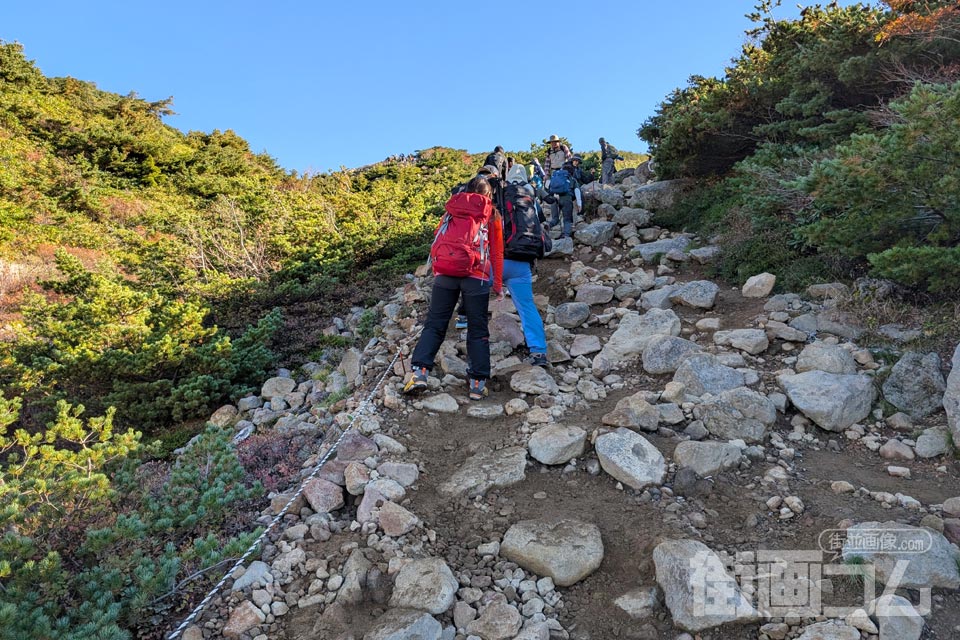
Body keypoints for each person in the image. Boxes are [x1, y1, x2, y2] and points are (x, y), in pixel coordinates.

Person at [404, 175, 504, 400]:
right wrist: (497, 284)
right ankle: (477, 384)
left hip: (446, 274)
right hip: (476, 277)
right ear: (489, 194)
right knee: (478, 330)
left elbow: (438, 237)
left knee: (435, 325)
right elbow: (497, 252)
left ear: (467, 190)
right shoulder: (492, 214)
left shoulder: (452, 209)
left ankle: (419, 374)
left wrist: (440, 268)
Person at [502, 165, 551, 367]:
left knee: (472, 297)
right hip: (522, 263)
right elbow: (541, 222)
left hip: (499, 260)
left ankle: (463, 321)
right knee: (527, 307)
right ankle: (539, 351)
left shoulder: (502, 194)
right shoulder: (530, 197)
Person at [547, 160, 578, 239]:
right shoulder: (572, 180)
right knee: (567, 219)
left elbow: (548, 187)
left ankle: (546, 227)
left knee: (555, 219)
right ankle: (566, 236)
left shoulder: (557, 177)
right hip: (566, 199)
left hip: (554, 198)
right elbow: (577, 192)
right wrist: (580, 205)